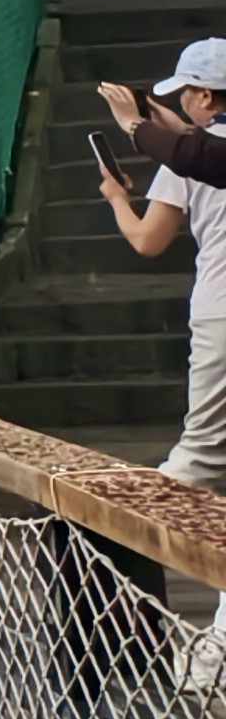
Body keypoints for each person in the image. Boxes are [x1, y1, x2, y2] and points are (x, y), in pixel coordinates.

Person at [94, 37, 226, 490]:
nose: (180, 102)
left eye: (184, 92)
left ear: (204, 96)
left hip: (221, 311)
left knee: (199, 460)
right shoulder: (191, 150)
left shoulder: (182, 162)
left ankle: (100, 529)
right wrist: (177, 132)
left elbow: (147, 241)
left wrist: (117, 197)